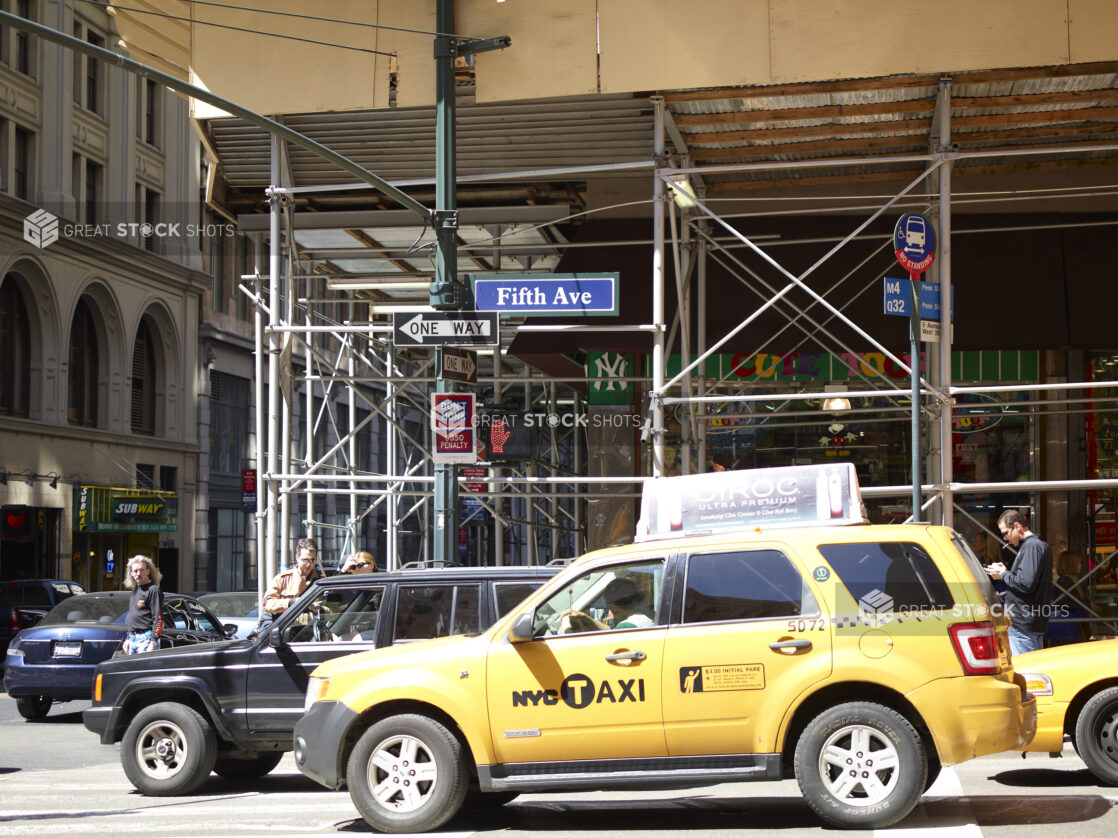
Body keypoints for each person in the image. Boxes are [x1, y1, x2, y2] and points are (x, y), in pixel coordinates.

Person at [986, 509, 1054, 655]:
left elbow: (1025, 584)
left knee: (1027, 673)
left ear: (1017, 527)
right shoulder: (1034, 546)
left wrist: (1003, 575)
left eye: (1005, 533)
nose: (1005, 538)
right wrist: (1005, 572)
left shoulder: (1032, 546)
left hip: (1023, 626)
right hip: (1028, 624)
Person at [563, 577, 654, 632]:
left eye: (614, 611)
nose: (614, 616)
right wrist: (589, 621)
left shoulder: (630, 625)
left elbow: (610, 637)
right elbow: (610, 631)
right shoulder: (649, 615)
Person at [262, 537, 322, 616]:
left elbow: (333, 609)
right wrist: (291, 602)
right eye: (305, 560)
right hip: (286, 626)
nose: (309, 564)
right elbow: (267, 604)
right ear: (297, 558)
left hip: (310, 626)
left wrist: (320, 609)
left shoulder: (320, 581)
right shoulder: (282, 579)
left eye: (312, 560)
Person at [121, 555, 163, 655]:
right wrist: (128, 638)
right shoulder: (135, 589)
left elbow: (158, 617)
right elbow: (133, 617)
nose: (138, 574)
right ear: (131, 573)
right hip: (132, 639)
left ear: (148, 571)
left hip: (146, 639)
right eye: (135, 571)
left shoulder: (153, 590)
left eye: (141, 570)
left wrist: (153, 642)